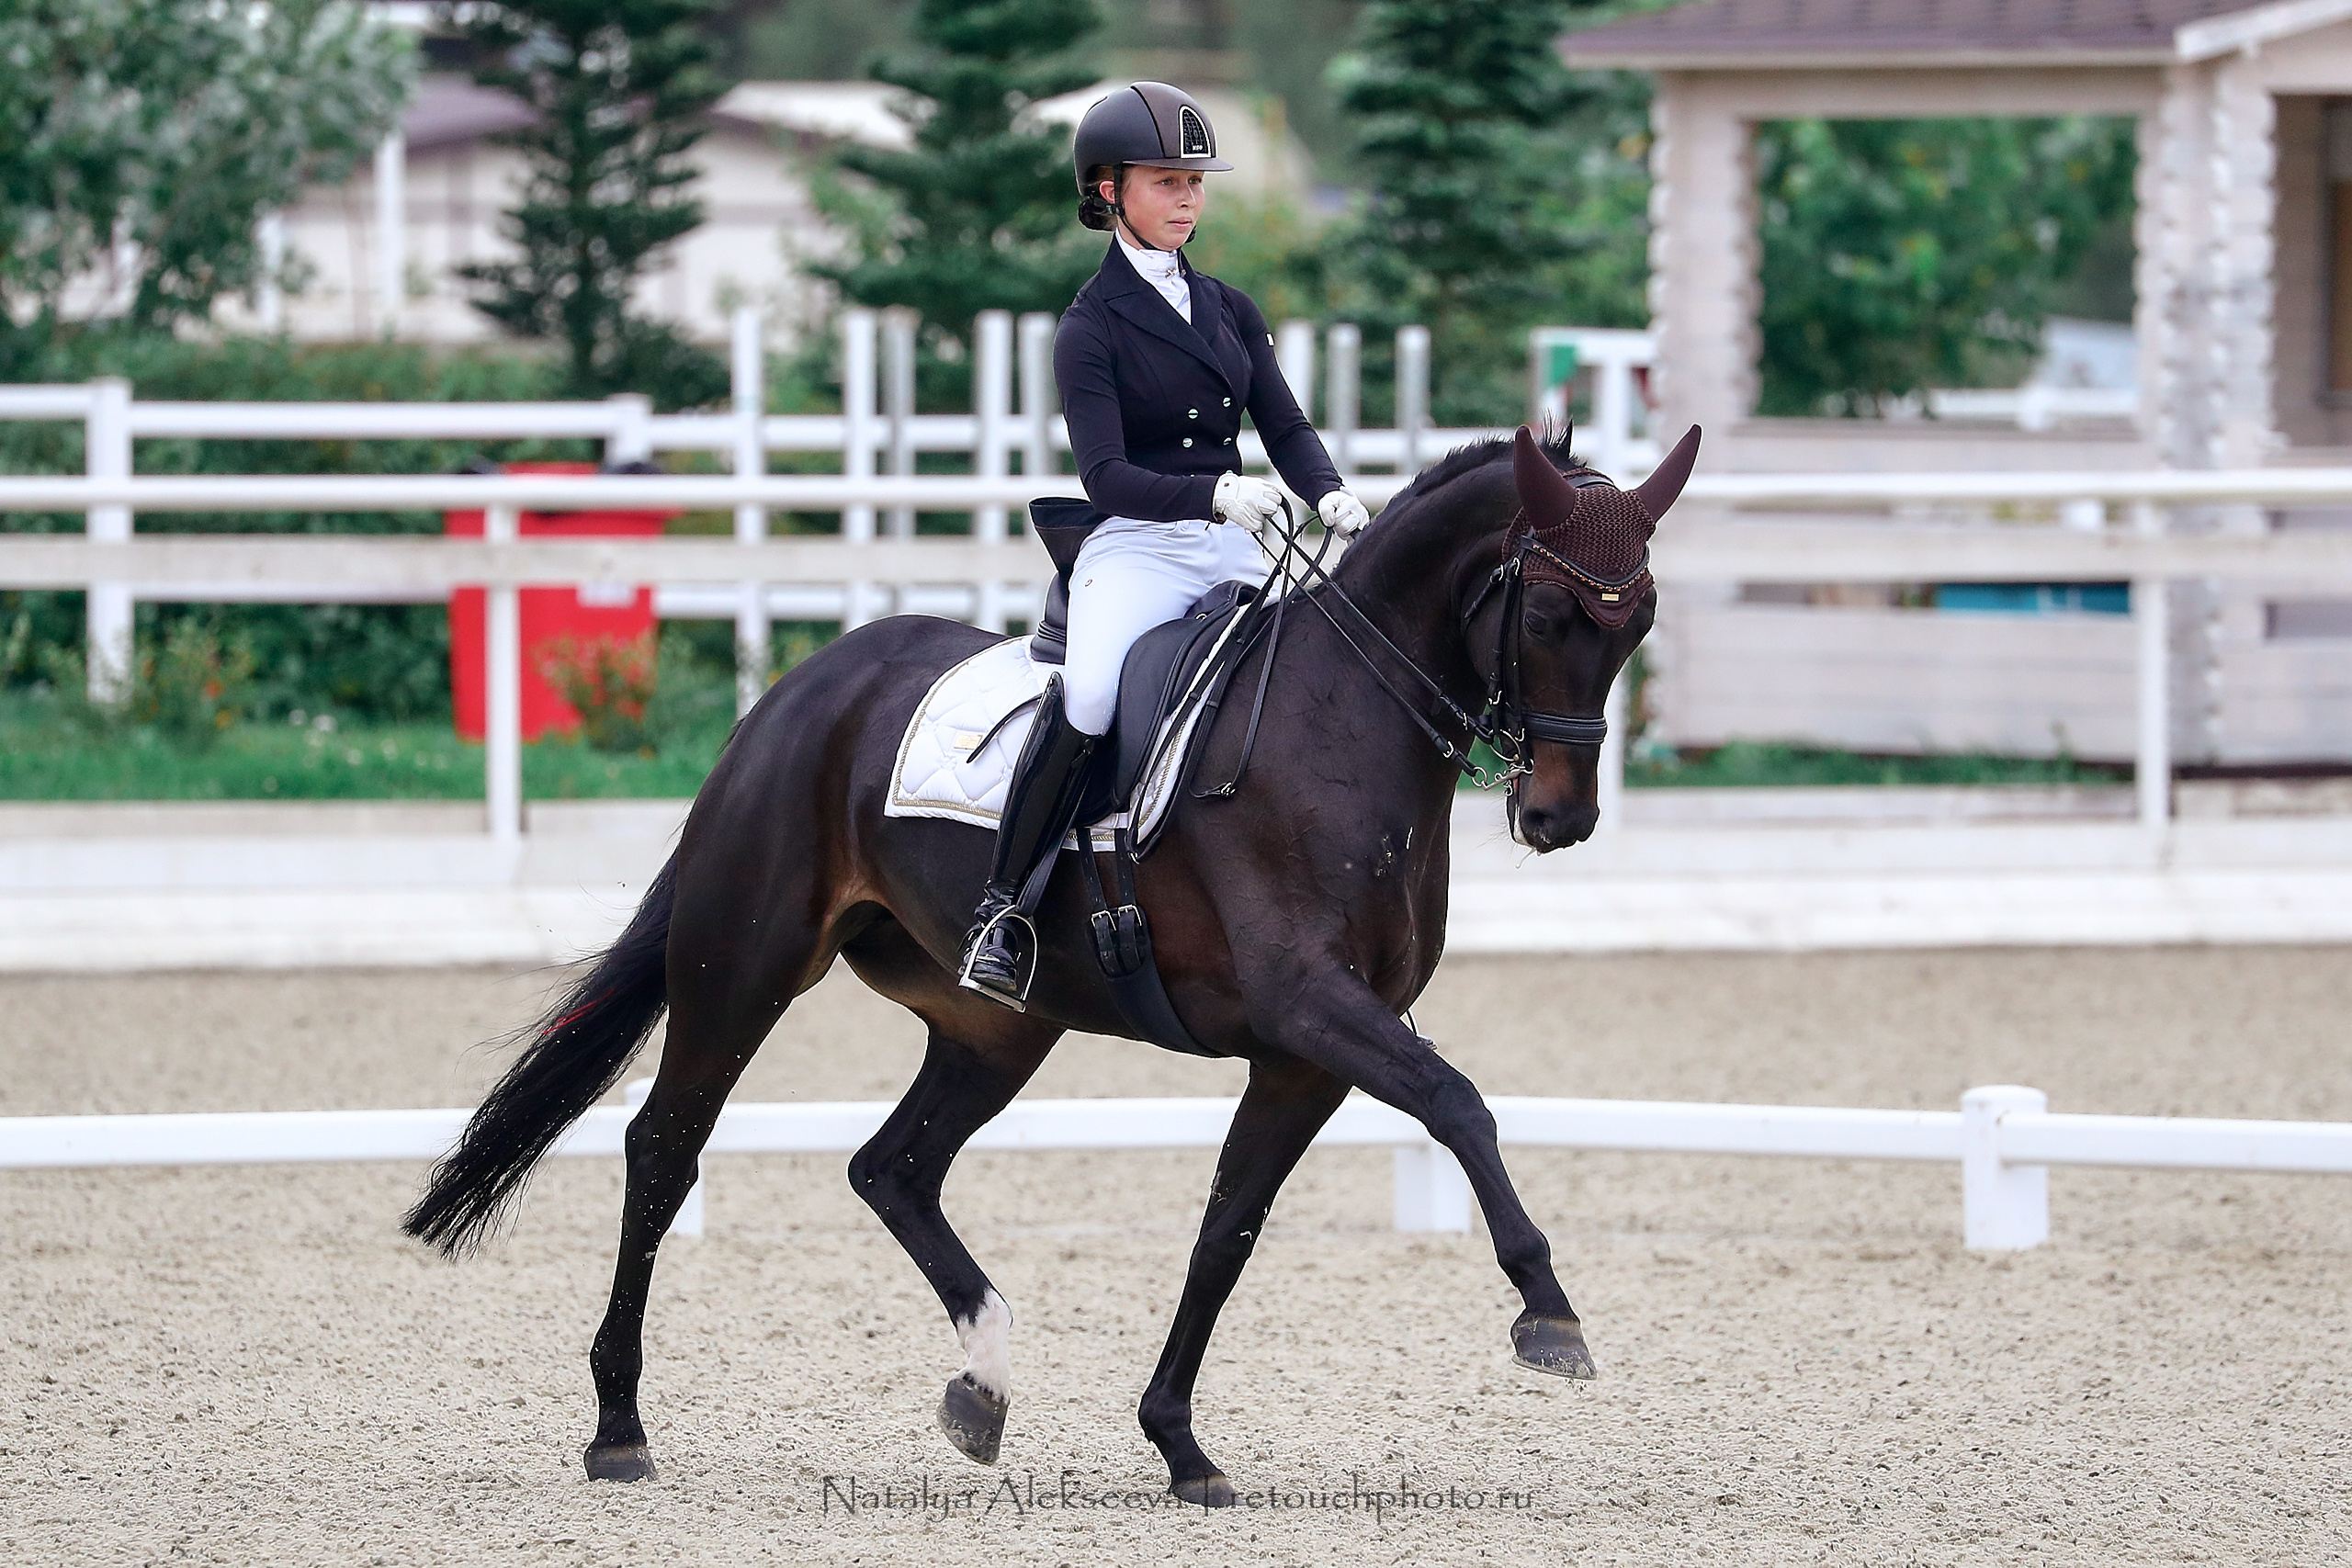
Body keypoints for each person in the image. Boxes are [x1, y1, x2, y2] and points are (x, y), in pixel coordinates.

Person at [957, 81, 1373, 1011]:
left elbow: (1285, 422)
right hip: (1139, 545)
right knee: (1095, 695)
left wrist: (1331, 495)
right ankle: (1002, 909)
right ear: (1106, 192)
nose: (1186, 200)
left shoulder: (1228, 307)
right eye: (1164, 182)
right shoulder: (1088, 327)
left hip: (1231, 542)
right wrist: (1214, 491)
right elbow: (1104, 476)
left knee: (1305, 680)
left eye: (1194, 183)